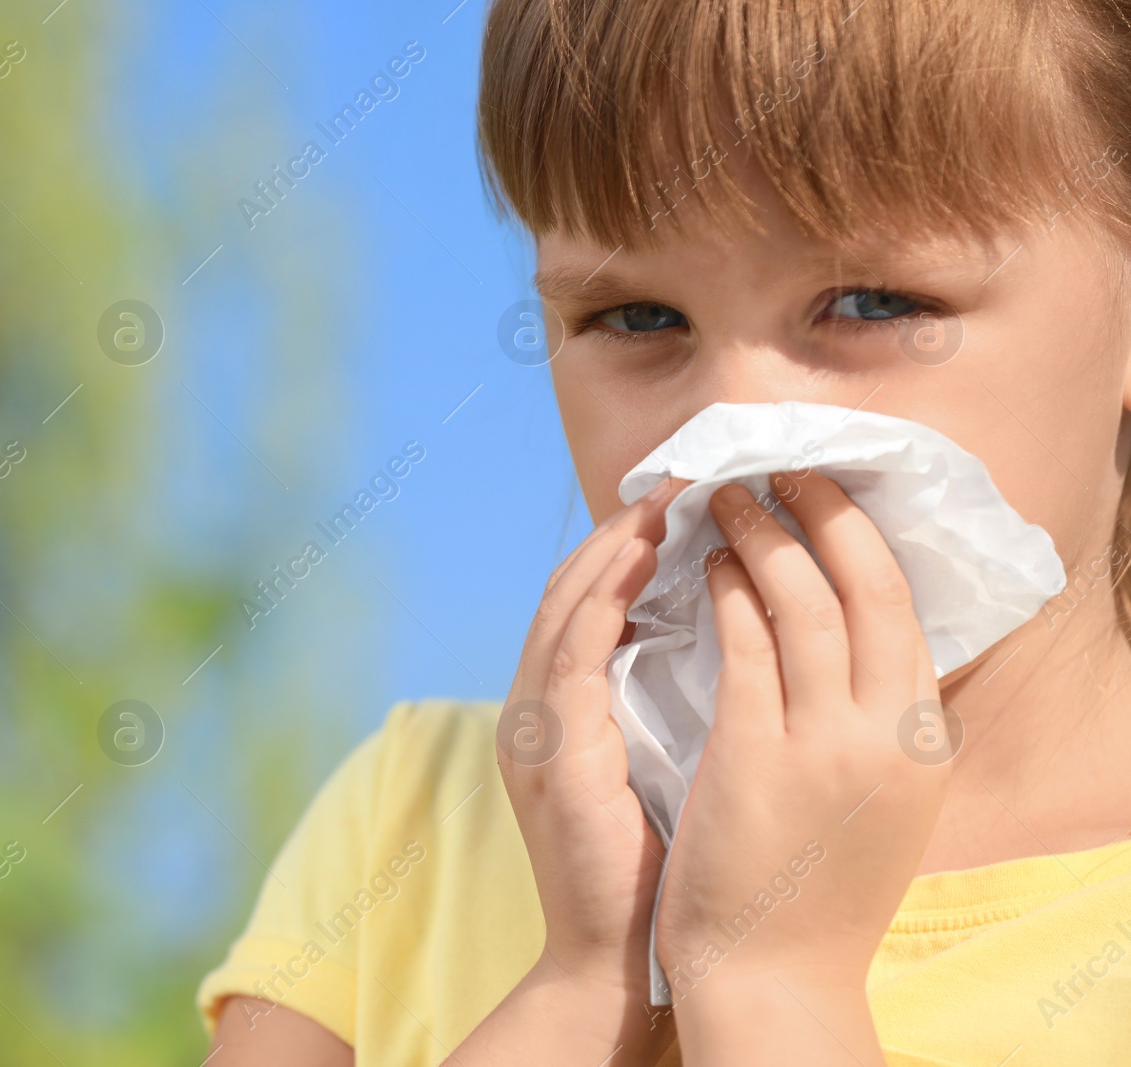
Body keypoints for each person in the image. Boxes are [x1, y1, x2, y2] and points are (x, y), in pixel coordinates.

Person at [196, 0, 1131, 1061]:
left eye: (871, 301)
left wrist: (771, 980)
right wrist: (583, 978)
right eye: (638, 319)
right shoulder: (409, 819)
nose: (728, 427)